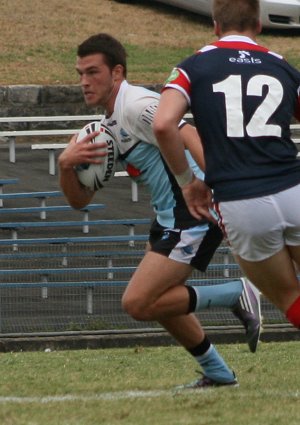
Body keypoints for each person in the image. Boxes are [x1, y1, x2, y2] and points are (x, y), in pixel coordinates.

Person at [58, 33, 261, 390]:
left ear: (117, 73)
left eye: (93, 72)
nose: (84, 82)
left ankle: (236, 293)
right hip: (170, 216)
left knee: (138, 302)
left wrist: (216, 188)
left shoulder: (135, 104)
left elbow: (186, 132)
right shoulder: (108, 125)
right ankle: (217, 372)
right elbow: (79, 201)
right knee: (161, 302)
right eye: (80, 74)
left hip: (191, 210)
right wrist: (64, 165)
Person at [153, 0, 300, 335]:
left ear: (215, 25)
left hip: (241, 201)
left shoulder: (193, 67)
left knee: (290, 296)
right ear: (259, 24)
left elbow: (163, 124)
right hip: (293, 189)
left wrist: (188, 182)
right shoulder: (281, 66)